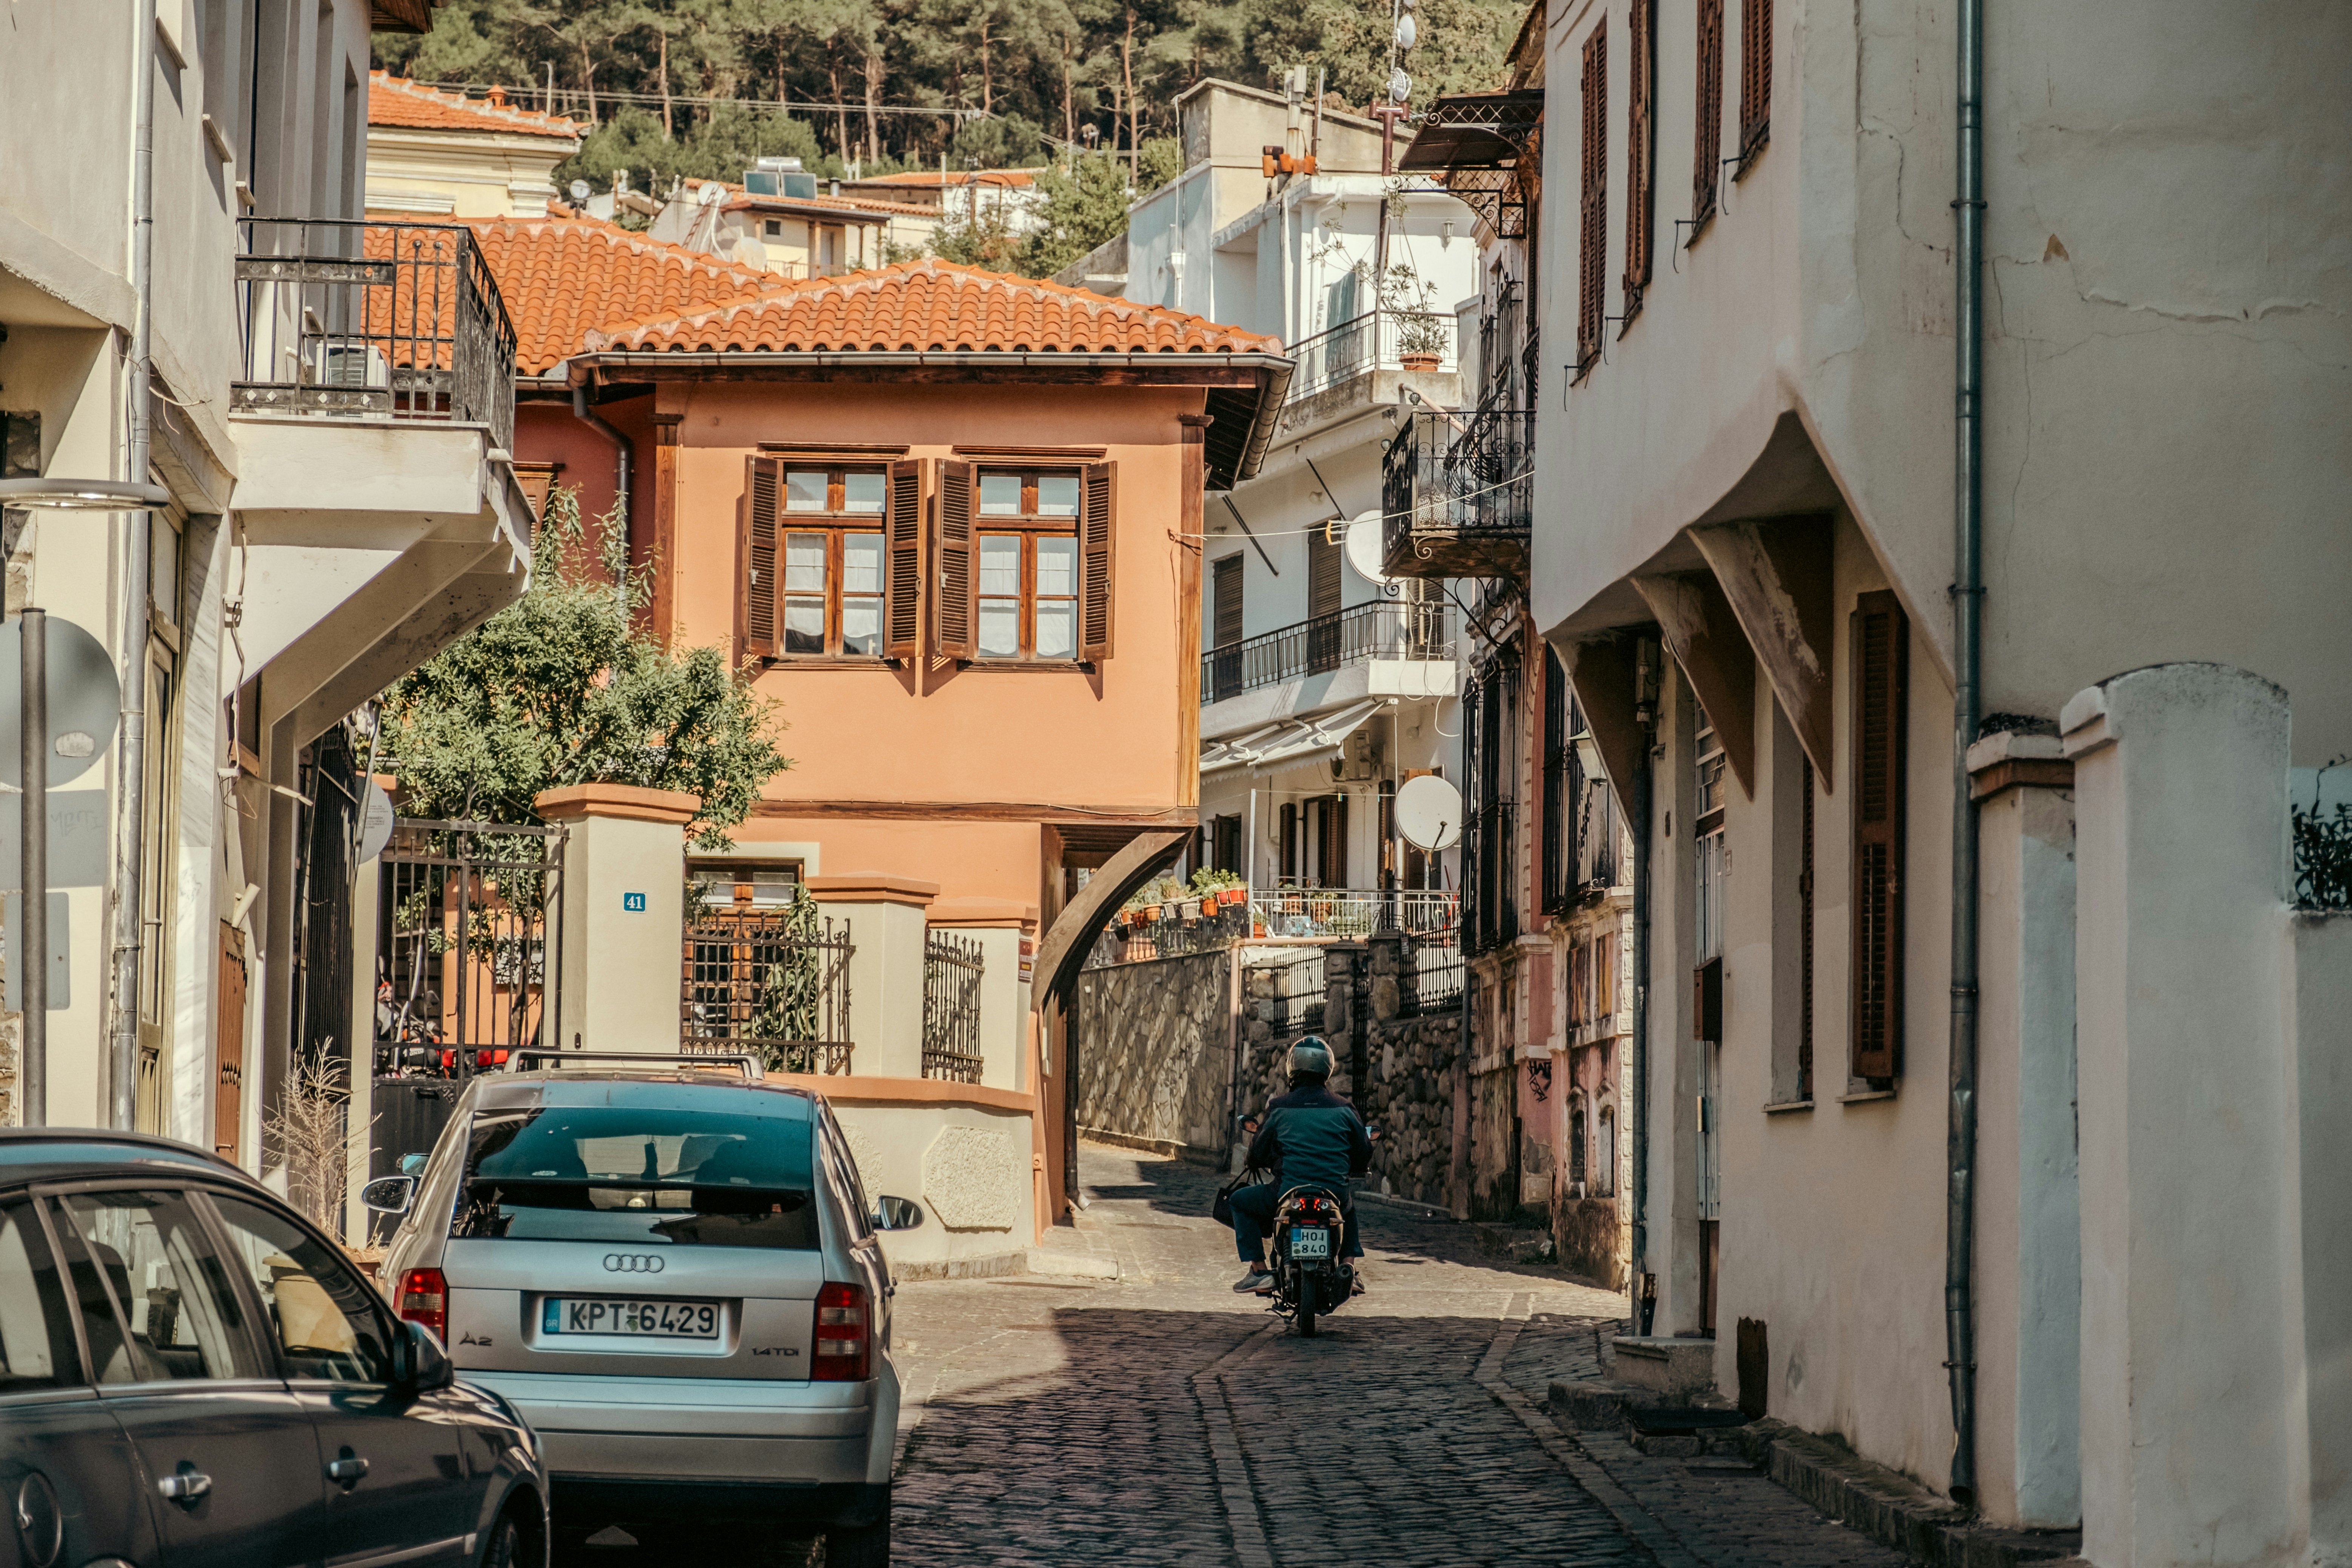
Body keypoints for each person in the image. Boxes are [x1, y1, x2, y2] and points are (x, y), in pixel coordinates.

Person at [1230, 1038, 1373, 1293]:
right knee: (1347, 1207)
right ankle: (1348, 1268)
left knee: (1239, 1201)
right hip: (1334, 1193)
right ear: (1327, 1068)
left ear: (1292, 1068)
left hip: (1287, 1191)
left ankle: (1260, 1270)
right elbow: (1363, 1152)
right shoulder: (1345, 1108)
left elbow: (1259, 1150)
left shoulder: (1279, 1107)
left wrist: (1257, 1159)